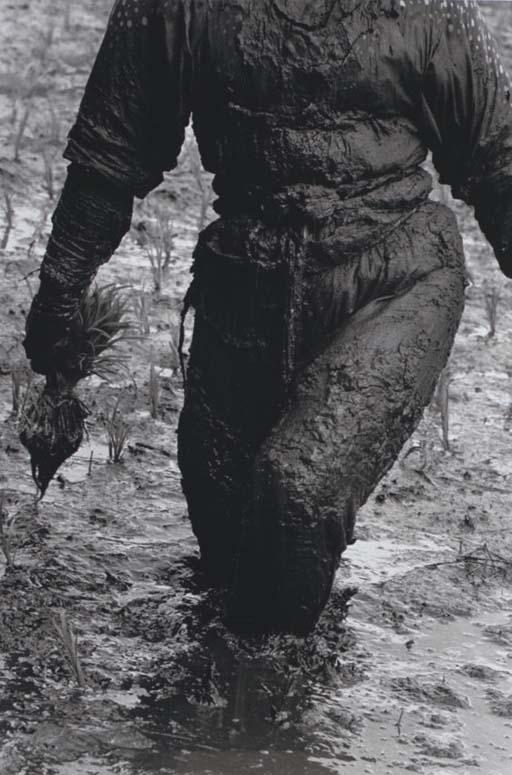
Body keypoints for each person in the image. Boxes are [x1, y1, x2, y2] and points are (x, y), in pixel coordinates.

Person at [23, 0, 512, 634]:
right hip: (244, 277)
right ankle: (274, 674)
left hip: (394, 278)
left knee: (295, 492)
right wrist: (59, 296)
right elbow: (109, 156)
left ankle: (264, 694)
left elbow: (501, 164)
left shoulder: (428, 9)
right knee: (225, 543)